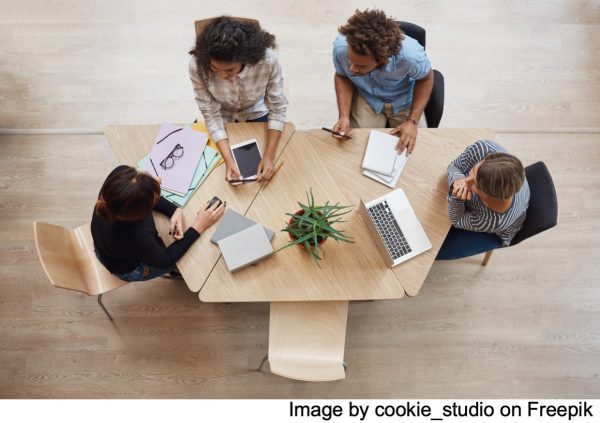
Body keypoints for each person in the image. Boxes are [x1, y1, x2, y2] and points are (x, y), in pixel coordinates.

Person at [188, 16, 288, 182]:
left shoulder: (268, 60)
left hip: (255, 110)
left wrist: (269, 157)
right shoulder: (197, 65)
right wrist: (229, 161)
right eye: (214, 68)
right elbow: (211, 115)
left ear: (245, 59)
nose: (221, 75)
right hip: (222, 113)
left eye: (229, 70)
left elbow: (277, 109)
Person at [91, 165, 225, 282]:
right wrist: (198, 226)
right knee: (189, 259)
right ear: (143, 212)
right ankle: (177, 272)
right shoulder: (137, 237)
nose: (159, 179)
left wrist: (174, 210)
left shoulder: (117, 181)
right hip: (129, 268)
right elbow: (165, 261)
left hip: (109, 249)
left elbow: (140, 194)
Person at [331, 8, 433, 154]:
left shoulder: (411, 56)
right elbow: (342, 76)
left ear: (382, 60)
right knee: (354, 147)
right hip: (367, 97)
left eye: (361, 65)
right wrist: (344, 116)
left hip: (403, 99)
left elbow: (426, 79)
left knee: (418, 149)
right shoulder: (341, 47)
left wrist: (412, 121)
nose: (352, 69)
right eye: (350, 61)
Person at [436, 140, 530, 259]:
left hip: (496, 230)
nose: (467, 180)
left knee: (436, 248)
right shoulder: (484, 148)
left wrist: (456, 197)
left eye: (474, 184)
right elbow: (453, 166)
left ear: (486, 199)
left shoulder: (492, 221)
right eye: (473, 170)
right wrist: (457, 180)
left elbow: (458, 220)